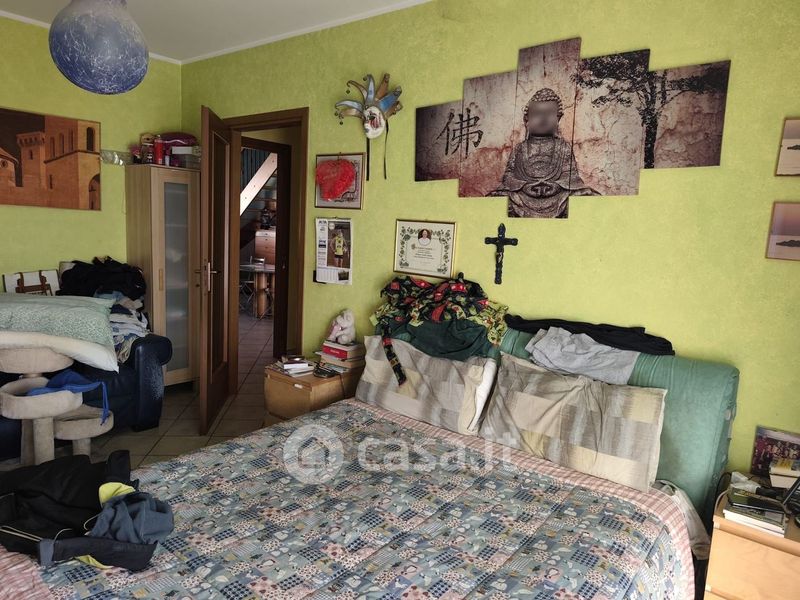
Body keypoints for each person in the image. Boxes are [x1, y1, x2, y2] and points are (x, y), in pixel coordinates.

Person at [492, 87, 597, 218]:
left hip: (557, 194)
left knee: (584, 196)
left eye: (549, 113)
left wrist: (556, 186)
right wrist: (524, 186)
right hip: (523, 194)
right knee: (500, 197)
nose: (543, 118)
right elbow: (508, 176)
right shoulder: (520, 148)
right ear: (527, 119)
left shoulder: (563, 147)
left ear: (558, 118)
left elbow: (571, 176)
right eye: (537, 114)